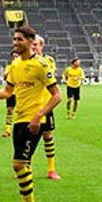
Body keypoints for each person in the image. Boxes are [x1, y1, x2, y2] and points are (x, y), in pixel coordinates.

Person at [0, 27, 61, 202]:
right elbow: (8, 91)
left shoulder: (41, 65)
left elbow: (57, 96)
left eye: (19, 39)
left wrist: (39, 116)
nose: (15, 42)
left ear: (29, 41)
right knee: (22, 165)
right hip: (19, 120)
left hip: (33, 121)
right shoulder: (15, 64)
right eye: (14, 39)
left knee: (18, 164)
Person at [32, 35, 60, 180]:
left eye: (36, 44)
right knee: (28, 138)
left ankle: (51, 169)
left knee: (47, 136)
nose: (33, 47)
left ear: (41, 46)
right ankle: (25, 168)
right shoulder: (23, 61)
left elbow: (48, 77)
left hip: (46, 104)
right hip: (30, 104)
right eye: (31, 44)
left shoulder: (48, 61)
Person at [1, 51, 18, 137]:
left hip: (21, 92)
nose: (15, 57)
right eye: (13, 56)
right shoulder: (9, 67)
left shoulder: (23, 66)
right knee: (9, 110)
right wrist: (10, 70)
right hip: (11, 92)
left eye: (17, 56)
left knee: (22, 111)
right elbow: (4, 77)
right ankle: (8, 130)